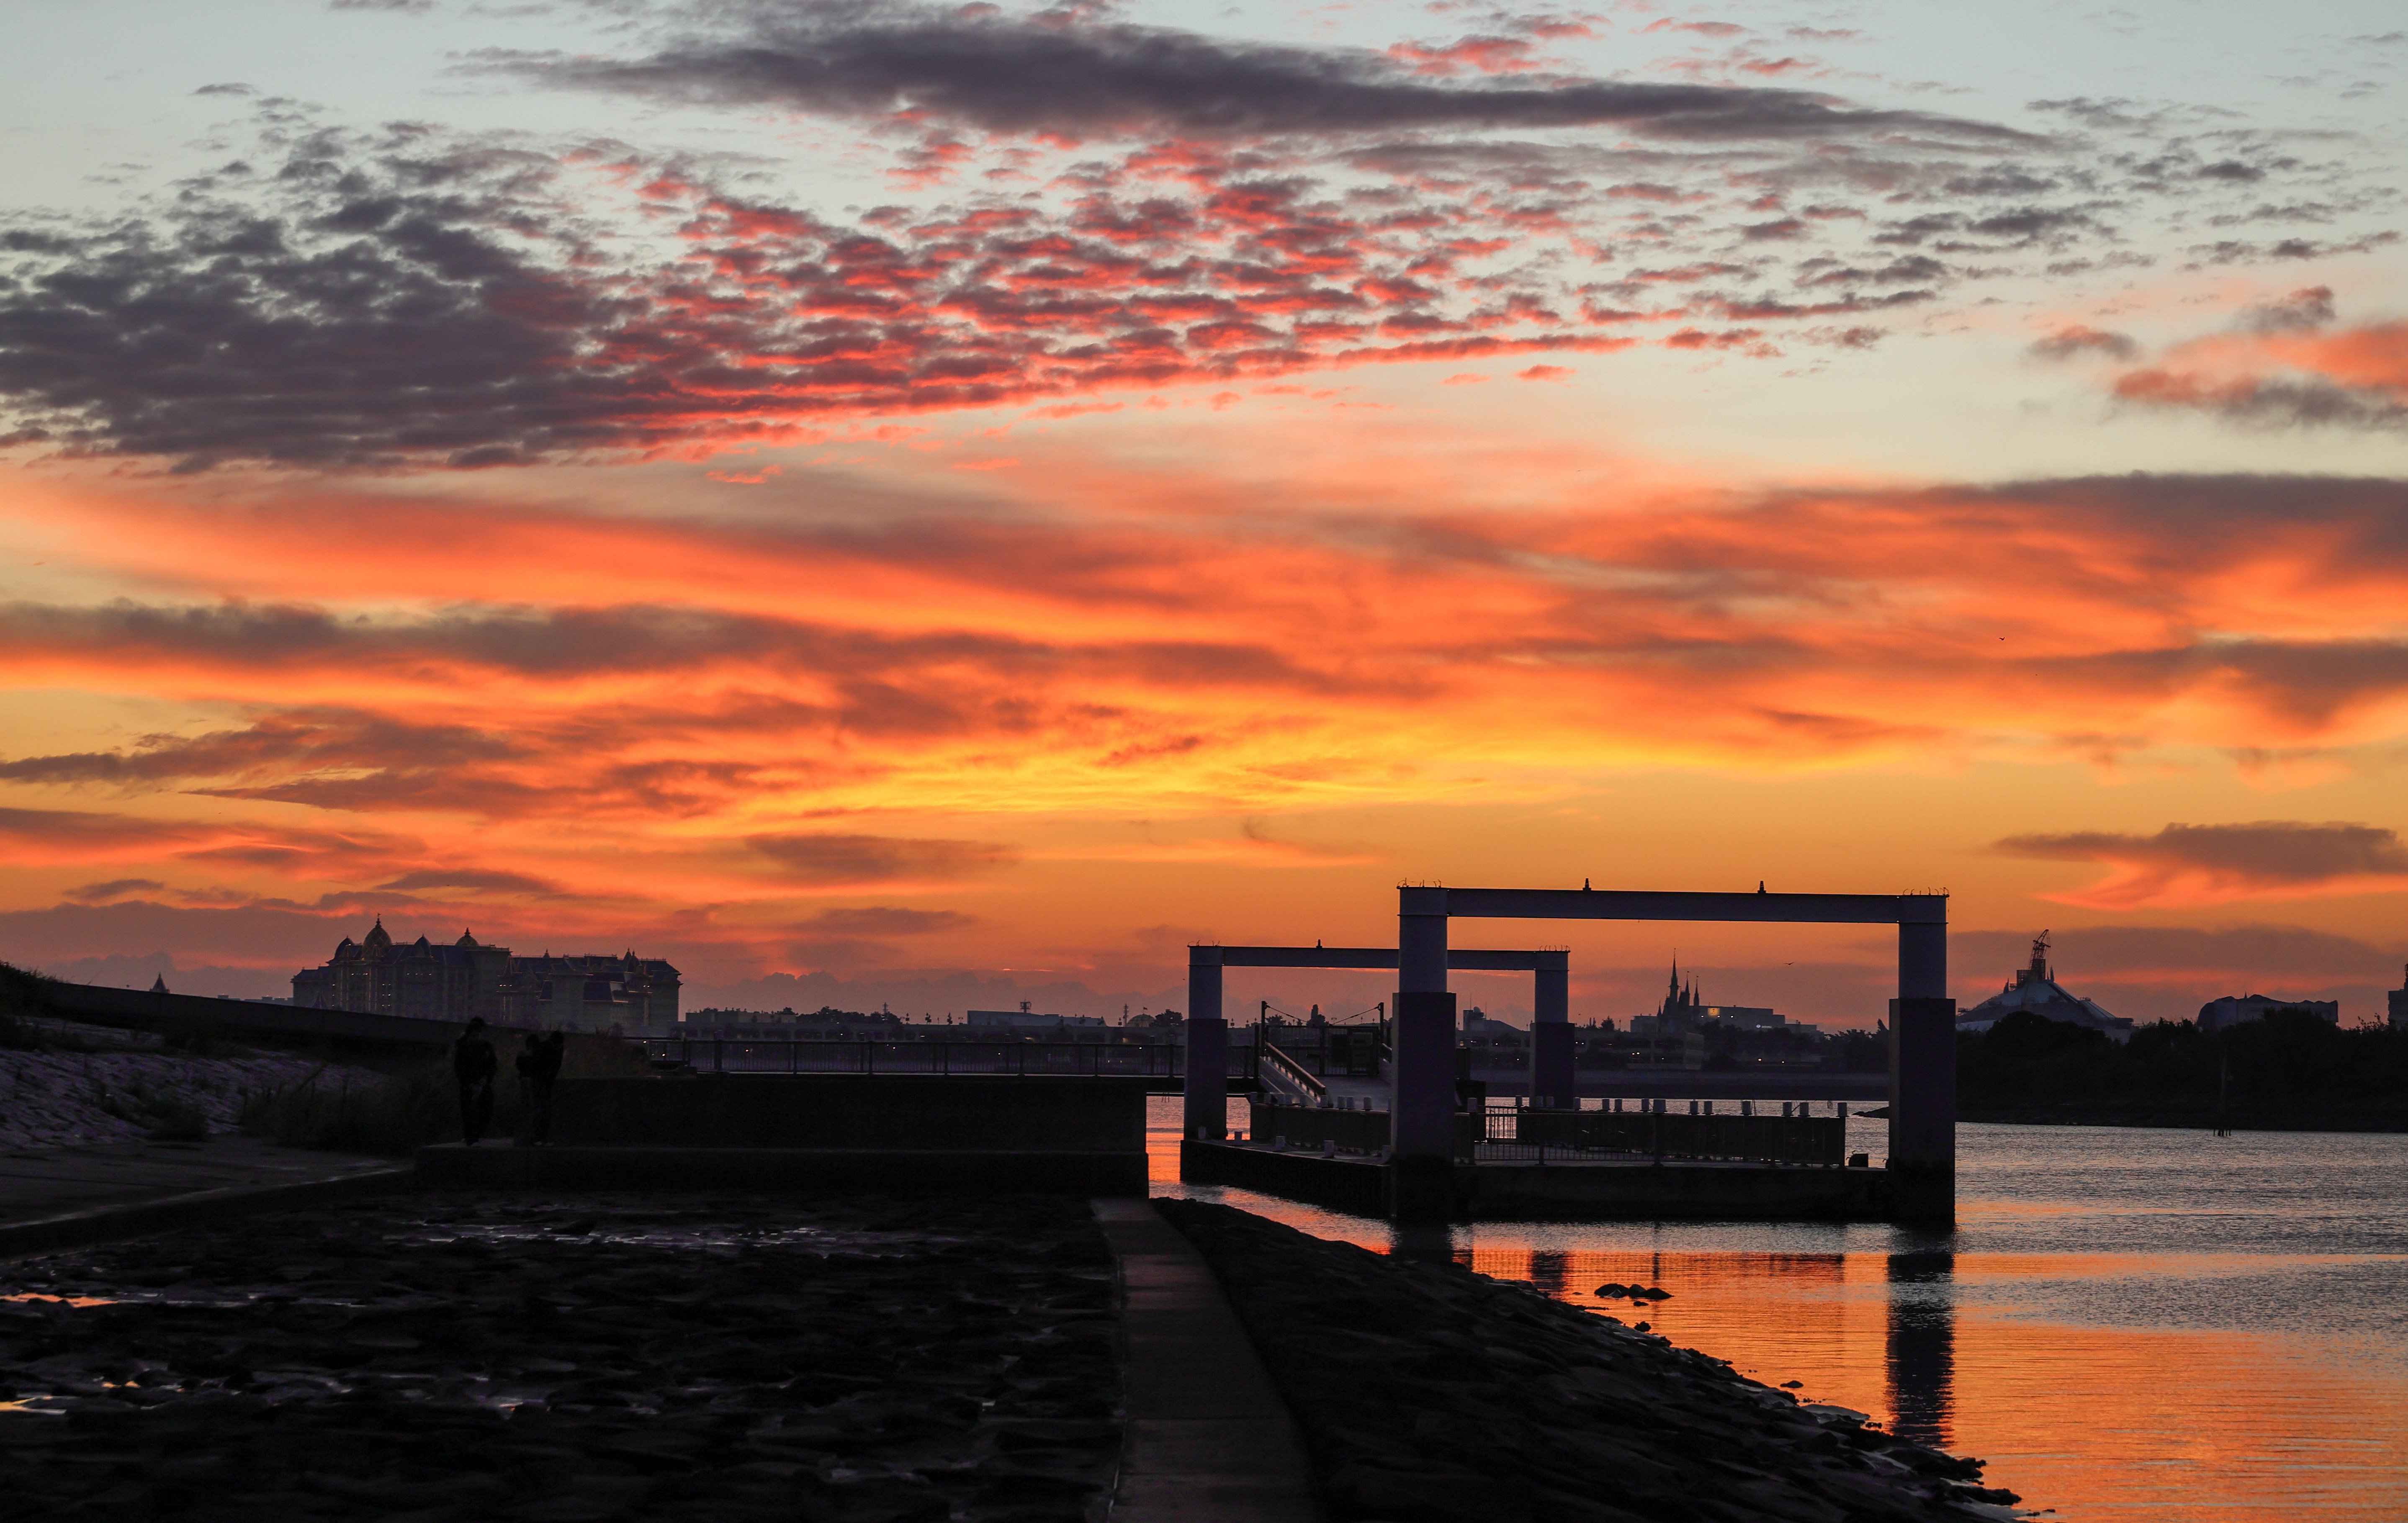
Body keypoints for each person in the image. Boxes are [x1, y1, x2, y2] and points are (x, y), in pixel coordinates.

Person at [453, 1017, 498, 1145]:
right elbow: (460, 1069)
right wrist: (470, 1084)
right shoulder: (463, 1049)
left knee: (487, 1110)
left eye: (478, 1035)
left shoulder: (486, 1047)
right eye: (474, 1035)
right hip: (469, 1086)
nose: (476, 1038)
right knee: (469, 1113)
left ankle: (477, 1135)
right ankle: (471, 1139)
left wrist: (486, 1078)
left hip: (483, 1084)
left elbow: (493, 1064)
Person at [518, 1029, 566, 1145]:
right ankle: (538, 1138)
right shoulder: (549, 1049)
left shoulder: (547, 1048)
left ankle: (540, 1138)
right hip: (541, 1082)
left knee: (543, 1110)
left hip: (543, 1082)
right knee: (542, 1110)